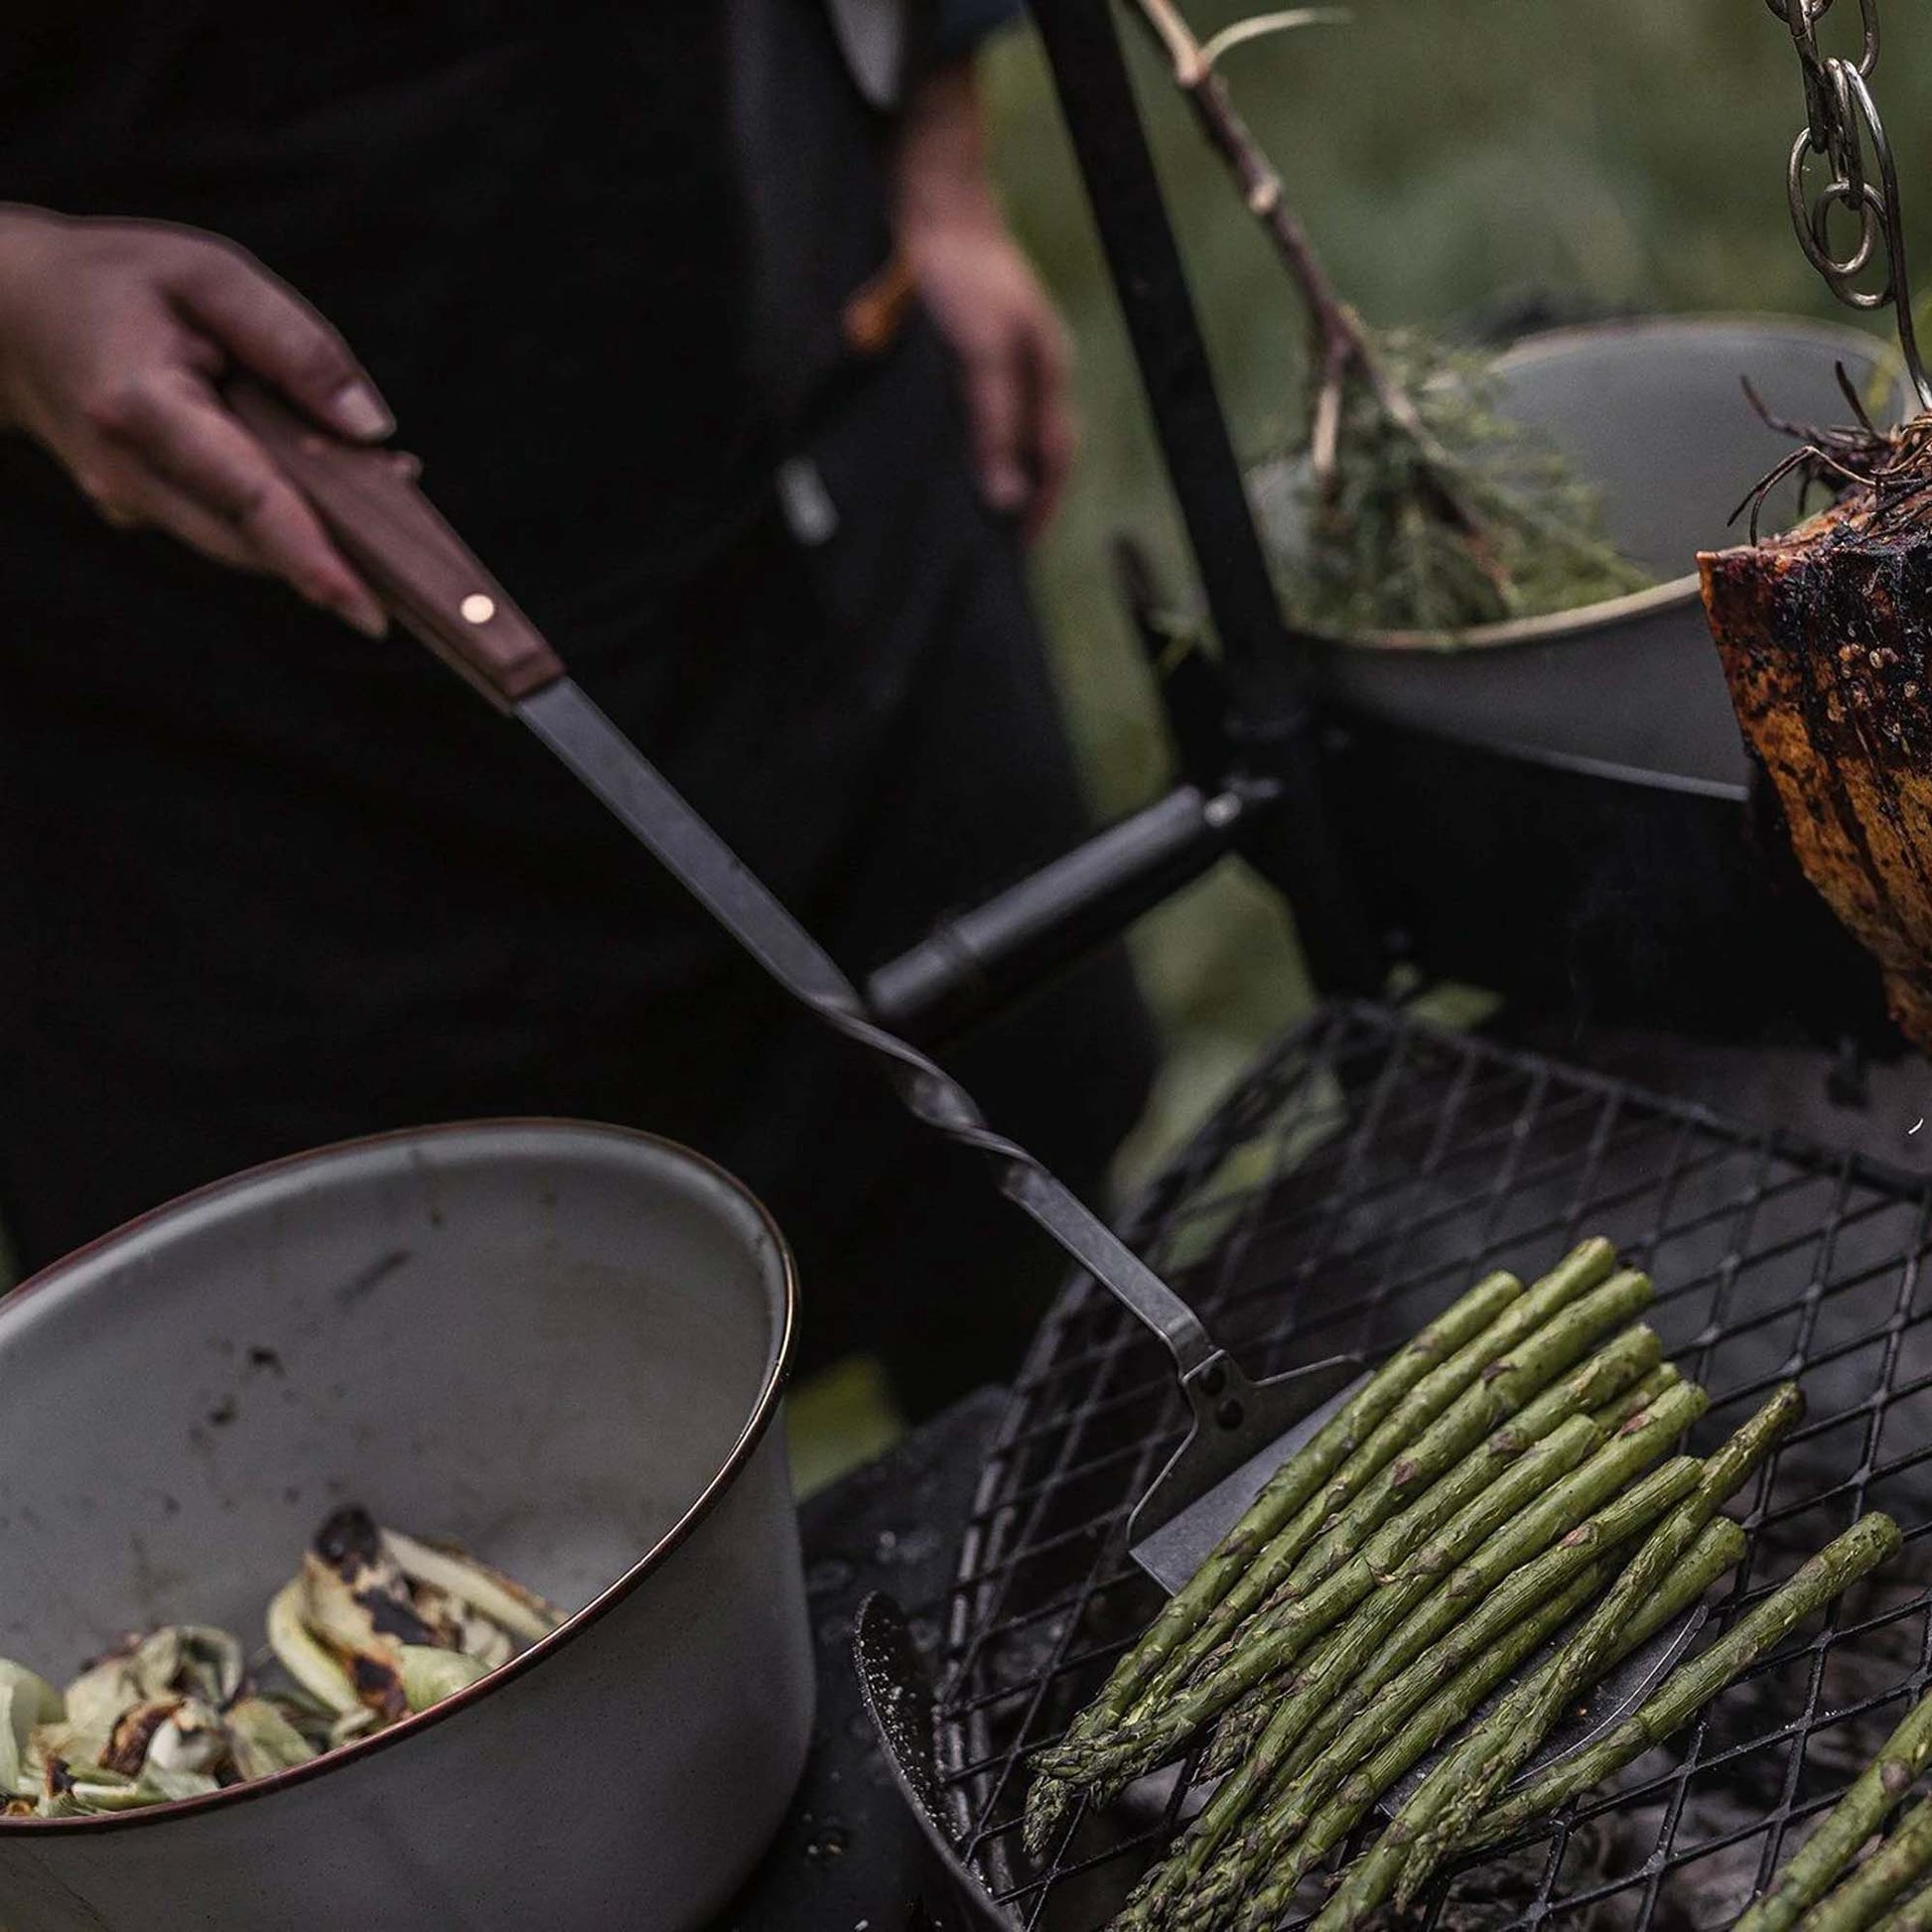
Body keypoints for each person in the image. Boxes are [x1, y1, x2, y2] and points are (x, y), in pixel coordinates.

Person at [0, 0, 1157, 1417]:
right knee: (356, 1447)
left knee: (1041, 1285)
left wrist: (938, 167)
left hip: (804, 439)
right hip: (215, 733)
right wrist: (16, 299)